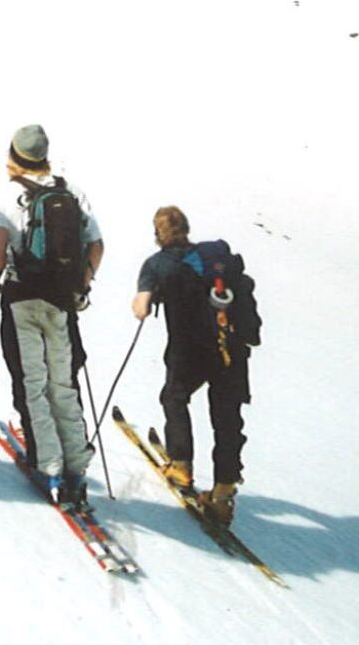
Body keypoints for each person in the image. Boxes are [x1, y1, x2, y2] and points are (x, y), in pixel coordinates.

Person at [0, 124, 104, 507]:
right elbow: (96, 246)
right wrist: (82, 285)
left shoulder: (9, 195)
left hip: (22, 299)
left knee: (32, 381)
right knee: (63, 383)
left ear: (14, 156)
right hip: (62, 302)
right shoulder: (70, 193)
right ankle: (76, 467)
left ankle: (48, 466)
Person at [131, 205, 251, 526]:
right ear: (186, 229)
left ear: (158, 235)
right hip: (230, 348)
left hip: (189, 351)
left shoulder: (157, 265)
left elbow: (141, 307)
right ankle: (224, 493)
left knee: (175, 396)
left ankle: (181, 466)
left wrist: (147, 298)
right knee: (226, 416)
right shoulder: (215, 259)